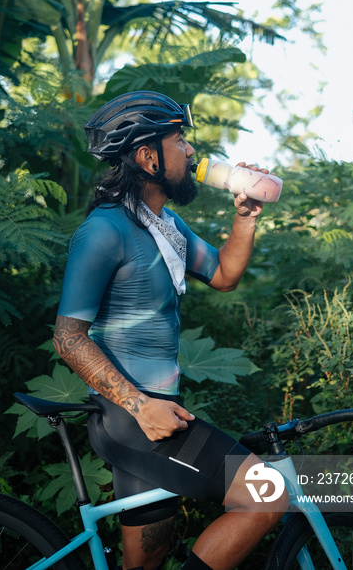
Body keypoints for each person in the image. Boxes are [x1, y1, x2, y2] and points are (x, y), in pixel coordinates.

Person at [53, 91, 288, 570]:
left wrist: (244, 216)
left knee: (147, 560)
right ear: (147, 157)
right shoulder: (105, 231)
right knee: (268, 495)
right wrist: (141, 407)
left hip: (156, 418)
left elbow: (223, 275)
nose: (191, 151)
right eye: (179, 141)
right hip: (133, 418)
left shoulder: (166, 225)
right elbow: (68, 337)